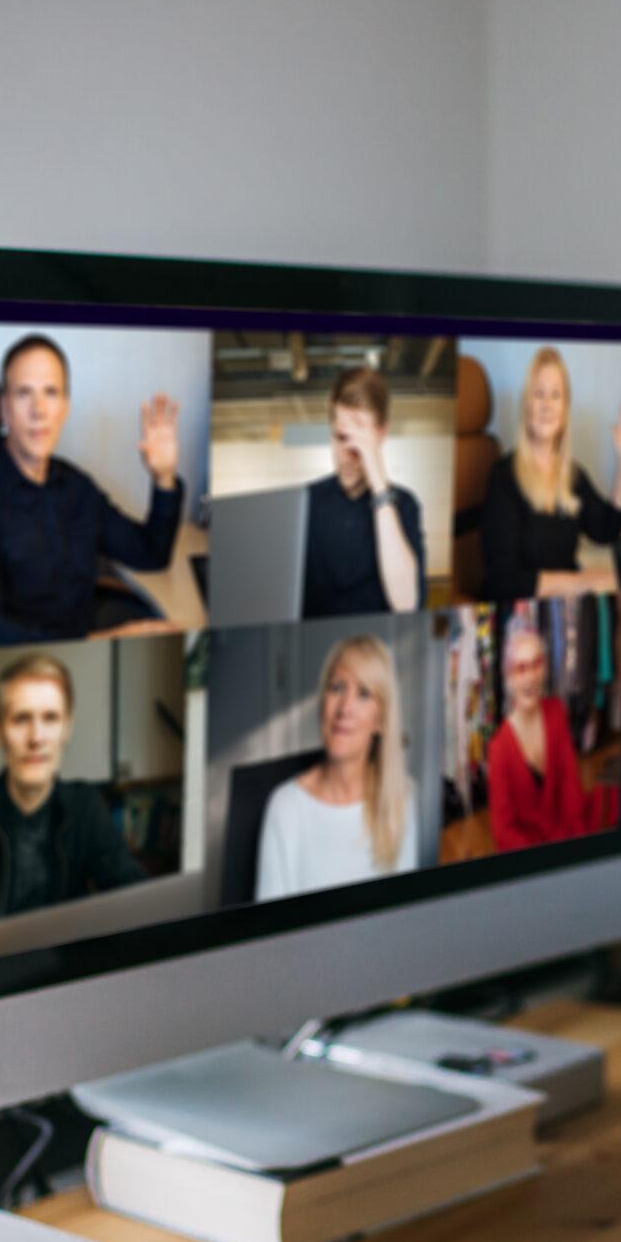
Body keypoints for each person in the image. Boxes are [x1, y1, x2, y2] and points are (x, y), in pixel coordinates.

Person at [0, 333, 185, 648]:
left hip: (87, 650)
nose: (39, 410)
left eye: (51, 393)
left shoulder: (77, 487)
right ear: (4, 410)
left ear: (65, 408)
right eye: (23, 394)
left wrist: (163, 477)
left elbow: (151, 553)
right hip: (25, 670)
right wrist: (104, 640)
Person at [0, 654, 142, 932]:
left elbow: (133, 897)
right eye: (21, 719)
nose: (36, 738)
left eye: (51, 718)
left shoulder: (85, 806)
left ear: (67, 728)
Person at [255, 634, 419, 900]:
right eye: (337, 688)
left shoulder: (402, 799)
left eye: (363, 693)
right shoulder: (284, 808)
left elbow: (403, 917)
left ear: (381, 721)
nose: (345, 708)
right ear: (322, 703)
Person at [475, 346, 621, 602]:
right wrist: (580, 582)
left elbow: (608, 530)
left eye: (555, 395)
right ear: (526, 405)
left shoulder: (573, 475)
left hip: (565, 606)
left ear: (565, 410)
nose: (547, 405)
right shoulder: (503, 476)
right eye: (538, 394)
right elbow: (503, 580)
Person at [303, 365, 422, 618]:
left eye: (357, 441)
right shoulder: (306, 501)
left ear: (381, 434)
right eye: (340, 438)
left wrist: (378, 482)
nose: (346, 455)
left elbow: (406, 602)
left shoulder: (406, 505)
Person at [485, 620, 614, 851]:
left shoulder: (555, 712)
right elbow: (503, 831)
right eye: (521, 668)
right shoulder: (499, 748)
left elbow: (570, 788)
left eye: (536, 664)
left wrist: (574, 842)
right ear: (508, 677)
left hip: (564, 832)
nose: (530, 677)